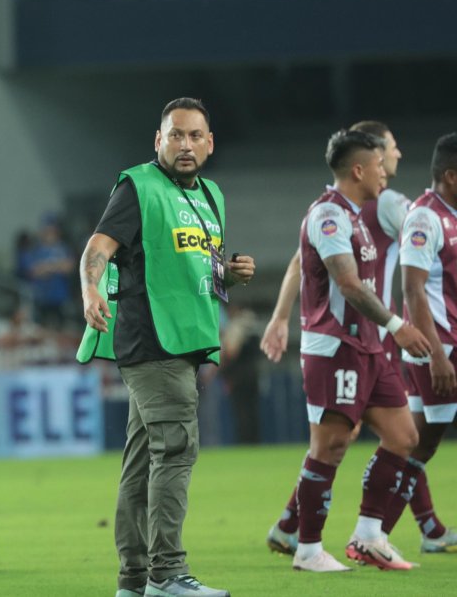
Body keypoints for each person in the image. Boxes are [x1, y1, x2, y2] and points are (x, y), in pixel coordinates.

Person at [78, 98, 253, 597]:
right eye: (175, 135)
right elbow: (98, 248)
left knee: (142, 459)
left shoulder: (212, 195)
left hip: (189, 337)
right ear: (158, 140)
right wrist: (90, 290)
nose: (185, 144)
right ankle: (168, 573)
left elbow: (203, 269)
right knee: (176, 449)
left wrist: (231, 275)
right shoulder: (138, 186)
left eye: (195, 136)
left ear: (210, 143)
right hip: (151, 338)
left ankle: (135, 579)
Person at [258, 122, 457, 553]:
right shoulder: (387, 205)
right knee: (346, 439)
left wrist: (280, 316)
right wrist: (280, 317)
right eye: (389, 150)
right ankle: (321, 539)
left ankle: (309, 527)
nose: (396, 157)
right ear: (365, 165)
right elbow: (317, 266)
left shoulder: (355, 210)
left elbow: (299, 262)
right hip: (370, 333)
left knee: (390, 435)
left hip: (375, 334)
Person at [380, 133, 457, 550]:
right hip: (437, 346)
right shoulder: (425, 217)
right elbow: (412, 290)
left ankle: (408, 531)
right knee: (420, 441)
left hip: (449, 343)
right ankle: (374, 532)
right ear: (450, 176)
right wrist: (439, 357)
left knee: (417, 440)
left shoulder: (453, 215)